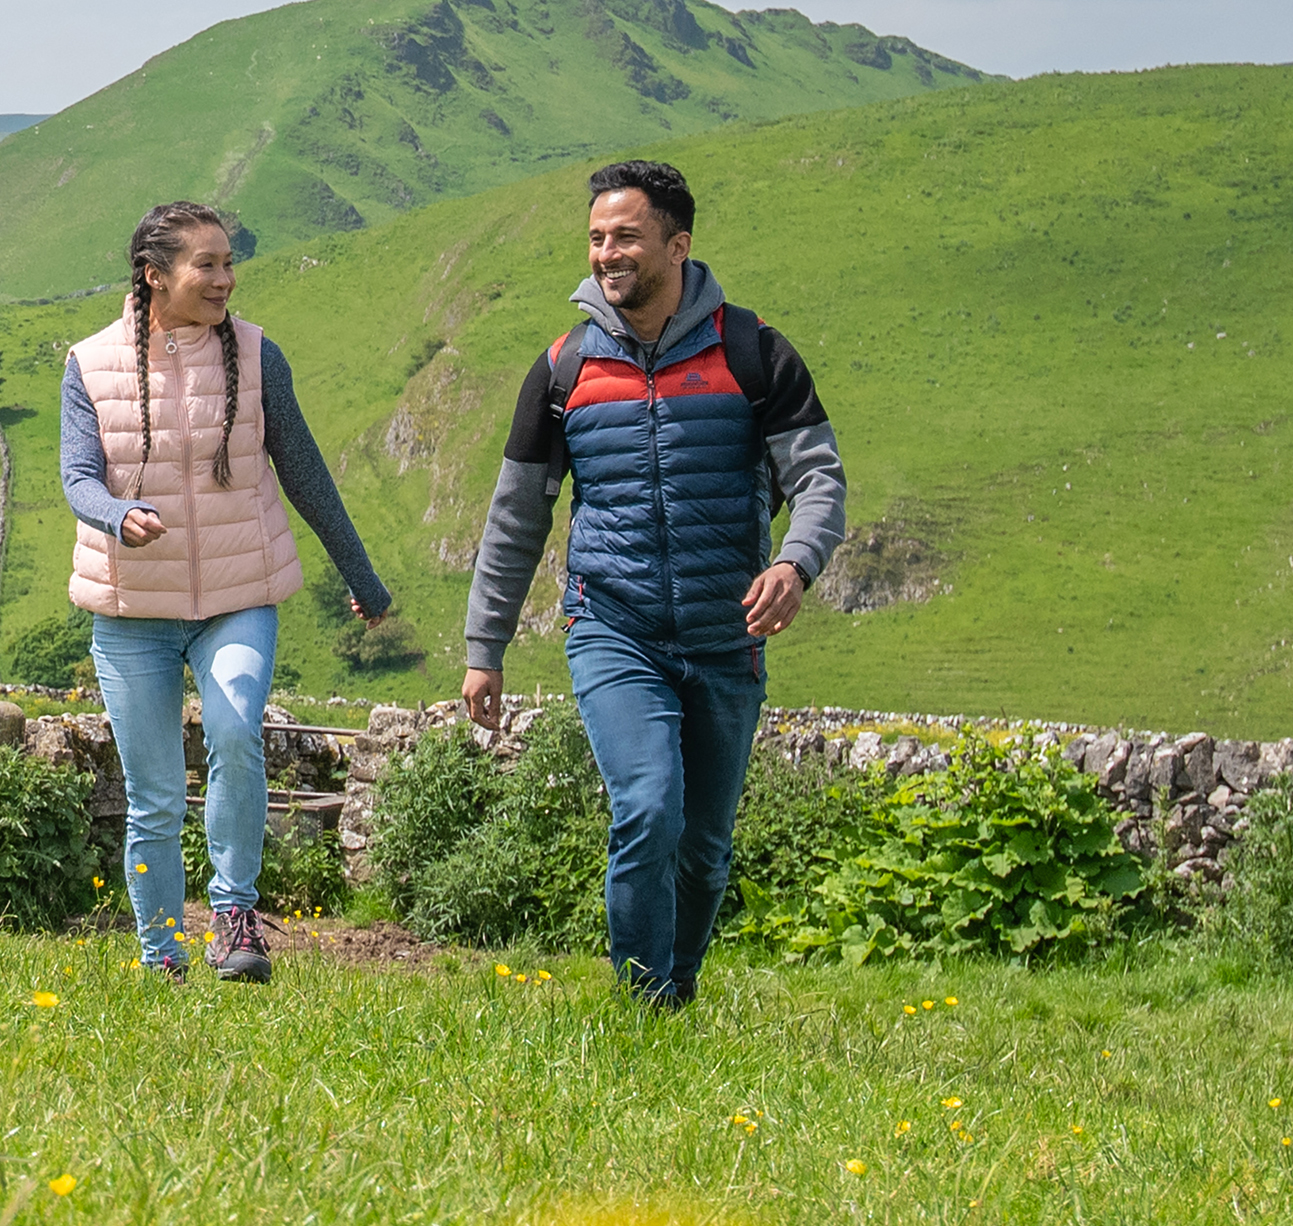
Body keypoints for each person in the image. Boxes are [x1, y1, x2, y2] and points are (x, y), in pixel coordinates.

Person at [455, 159, 844, 1009]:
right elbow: (516, 519)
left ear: (678, 243)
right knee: (647, 809)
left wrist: (794, 562)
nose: (606, 253)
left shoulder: (754, 351)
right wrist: (485, 649)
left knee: (704, 847)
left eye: (625, 236)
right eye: (596, 238)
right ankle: (643, 1007)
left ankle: (679, 990)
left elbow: (818, 478)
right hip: (612, 625)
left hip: (724, 634)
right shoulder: (562, 370)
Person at [63, 199, 402, 984]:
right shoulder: (89, 363)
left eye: (228, 262)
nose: (226, 278)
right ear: (156, 277)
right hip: (131, 610)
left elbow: (306, 473)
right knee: (152, 796)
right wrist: (116, 516)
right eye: (207, 264)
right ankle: (161, 958)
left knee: (235, 730)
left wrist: (364, 578)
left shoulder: (256, 356)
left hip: (238, 594)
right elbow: (78, 476)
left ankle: (235, 916)